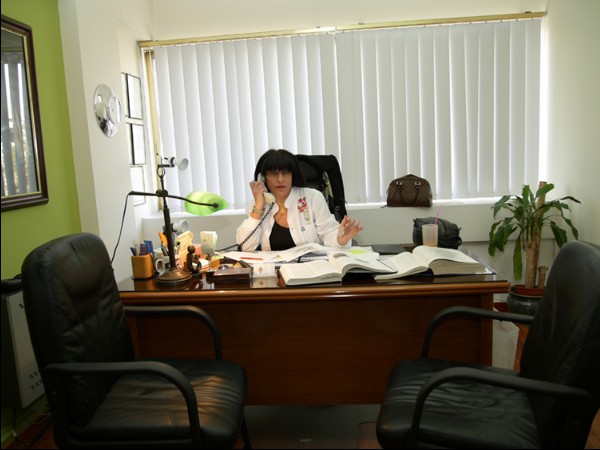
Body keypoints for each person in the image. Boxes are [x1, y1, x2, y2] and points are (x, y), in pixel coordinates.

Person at [236, 149, 363, 251]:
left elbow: (329, 232)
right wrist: (259, 206)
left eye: (285, 173)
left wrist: (341, 239)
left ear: (293, 175)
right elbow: (246, 246)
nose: (280, 179)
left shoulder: (312, 197)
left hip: (310, 269)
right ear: (263, 178)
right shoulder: (257, 204)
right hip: (273, 271)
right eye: (274, 173)